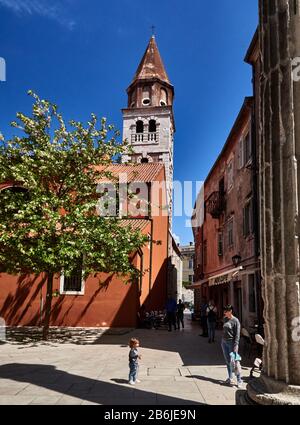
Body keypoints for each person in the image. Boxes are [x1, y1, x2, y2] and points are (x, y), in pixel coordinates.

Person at [221, 305, 243, 388]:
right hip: (224, 342)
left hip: (231, 343)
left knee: (235, 362)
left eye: (226, 311)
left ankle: (239, 380)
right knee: (227, 361)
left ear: (230, 311)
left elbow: (237, 334)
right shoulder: (225, 319)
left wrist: (236, 344)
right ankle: (230, 377)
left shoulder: (235, 321)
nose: (224, 313)